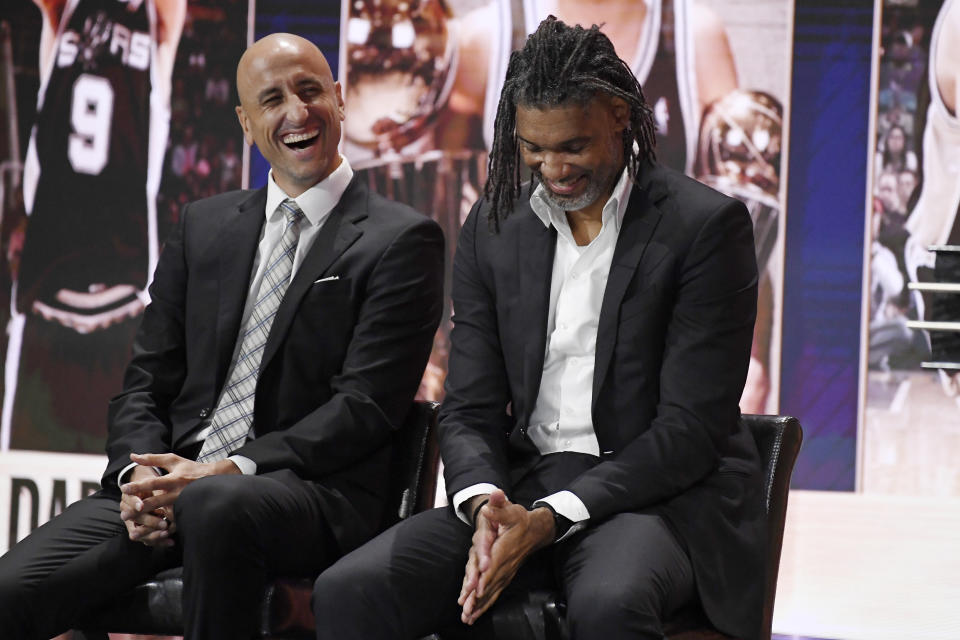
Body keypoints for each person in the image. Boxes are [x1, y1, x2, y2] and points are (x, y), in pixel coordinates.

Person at [314, 17, 765, 640]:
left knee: (610, 604)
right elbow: (467, 408)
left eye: (572, 146)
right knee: (348, 591)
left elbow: (689, 430)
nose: (552, 169)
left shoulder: (706, 228)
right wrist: (484, 507)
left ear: (619, 115)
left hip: (657, 499)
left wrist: (552, 518)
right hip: (522, 489)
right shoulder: (494, 228)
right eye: (533, 148)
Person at [0, 32, 444, 640]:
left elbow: (363, 408)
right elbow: (145, 382)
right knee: (11, 590)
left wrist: (227, 470)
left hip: (311, 495)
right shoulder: (203, 226)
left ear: (340, 100)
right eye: (271, 99)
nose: (296, 112)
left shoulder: (401, 239)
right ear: (245, 121)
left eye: (310, 90)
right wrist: (140, 479)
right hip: (178, 490)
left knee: (214, 506)